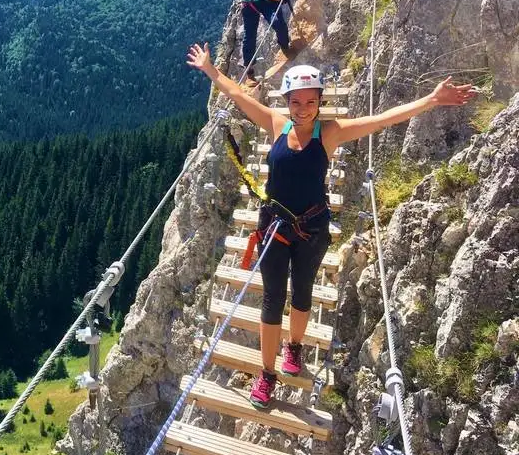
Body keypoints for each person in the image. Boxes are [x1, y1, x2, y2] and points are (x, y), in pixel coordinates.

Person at [186, 44, 477, 408]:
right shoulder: (276, 123)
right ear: (288, 102)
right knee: (273, 299)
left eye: (310, 102)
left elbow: (384, 119)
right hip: (274, 227)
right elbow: (237, 95)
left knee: (304, 292)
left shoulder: (331, 133)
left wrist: (431, 100)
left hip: (310, 230)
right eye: (296, 102)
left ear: (320, 102)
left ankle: (294, 348)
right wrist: (211, 71)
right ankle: (267, 374)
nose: (303, 110)